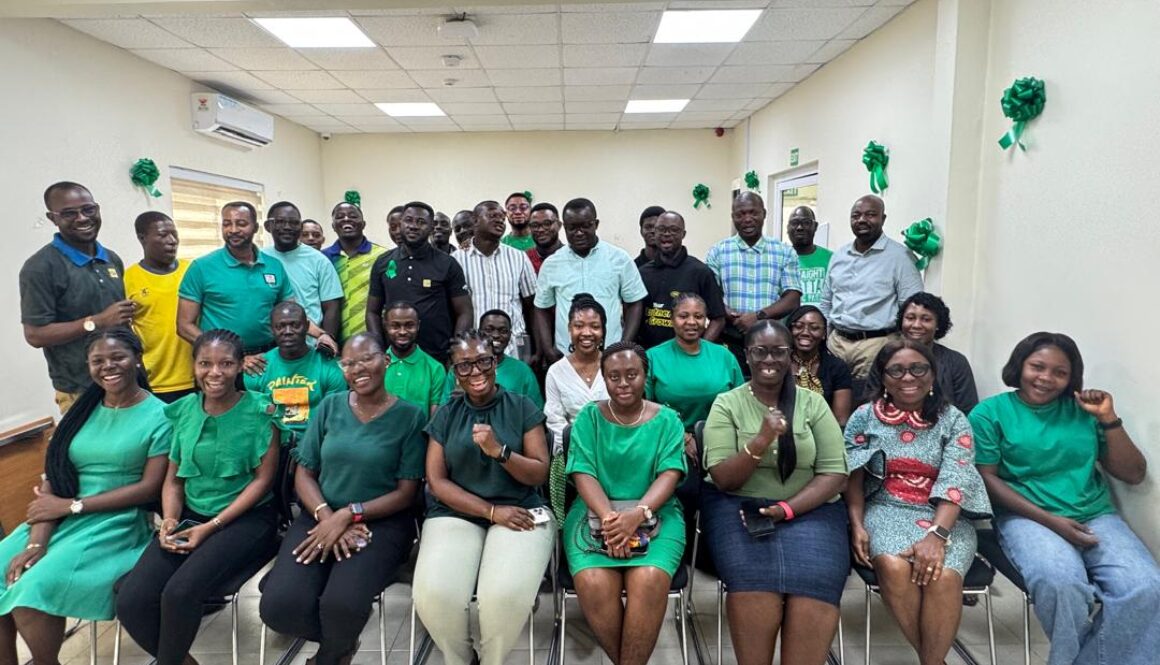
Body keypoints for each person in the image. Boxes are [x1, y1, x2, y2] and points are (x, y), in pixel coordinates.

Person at [970, 332, 1160, 665]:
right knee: (1062, 586)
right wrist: (1052, 522)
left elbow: (1133, 473)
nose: (1046, 378)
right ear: (1020, 366)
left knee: (1145, 586)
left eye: (1060, 372)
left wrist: (1108, 418)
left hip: (1095, 514)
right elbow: (987, 478)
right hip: (1026, 517)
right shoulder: (990, 413)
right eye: (1037, 367)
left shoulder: (1083, 411)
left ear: (1072, 377)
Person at [0, 329, 170, 665]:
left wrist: (74, 506)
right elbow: (54, 474)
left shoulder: (161, 415)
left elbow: (149, 489)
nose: (109, 366)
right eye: (98, 360)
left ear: (137, 359)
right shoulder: (81, 411)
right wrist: (37, 542)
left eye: (118, 357)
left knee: (32, 589)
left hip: (115, 525)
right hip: (60, 518)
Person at [259, 333, 426, 665]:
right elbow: (304, 472)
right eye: (349, 362)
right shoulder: (330, 406)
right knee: (279, 606)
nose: (358, 368)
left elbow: (406, 493)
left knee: (342, 604)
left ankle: (331, 656)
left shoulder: (410, 416)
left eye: (367, 359)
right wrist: (327, 516)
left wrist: (350, 514)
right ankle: (340, 644)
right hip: (319, 514)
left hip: (381, 523)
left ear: (386, 360)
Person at [116, 329, 280, 665]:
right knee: (131, 600)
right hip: (191, 515)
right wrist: (170, 520)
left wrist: (212, 527)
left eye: (226, 364)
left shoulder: (260, 411)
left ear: (239, 367)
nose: (215, 372)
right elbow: (174, 479)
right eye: (205, 363)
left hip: (248, 520)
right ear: (194, 366)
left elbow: (262, 483)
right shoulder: (184, 411)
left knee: (180, 593)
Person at [701, 319, 850, 665]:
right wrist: (762, 439)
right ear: (747, 356)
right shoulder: (727, 404)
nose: (770, 359)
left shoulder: (813, 404)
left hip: (811, 508)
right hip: (738, 505)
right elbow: (723, 478)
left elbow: (834, 472)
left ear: (791, 355)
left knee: (815, 583)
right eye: (760, 351)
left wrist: (788, 509)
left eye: (779, 351)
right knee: (754, 582)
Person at [845, 340, 991, 665]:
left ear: (932, 373)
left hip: (946, 516)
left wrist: (937, 536)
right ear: (883, 377)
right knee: (892, 565)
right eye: (896, 370)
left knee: (943, 575)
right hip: (885, 507)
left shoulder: (954, 420)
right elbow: (852, 475)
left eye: (917, 368)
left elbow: (956, 481)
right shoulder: (864, 417)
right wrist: (855, 525)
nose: (907, 377)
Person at [413, 330, 553, 665]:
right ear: (453, 372)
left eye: (483, 362)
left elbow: (539, 473)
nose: (475, 372)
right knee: (434, 595)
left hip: (521, 510)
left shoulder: (521, 406)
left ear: (495, 362)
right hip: (456, 513)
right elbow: (436, 480)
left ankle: (492, 659)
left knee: (501, 598)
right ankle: (462, 659)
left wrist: (500, 452)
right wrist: (491, 511)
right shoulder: (447, 414)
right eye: (464, 366)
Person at [563, 342, 686, 665]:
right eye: (614, 376)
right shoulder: (589, 417)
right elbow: (582, 471)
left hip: (656, 512)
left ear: (646, 375)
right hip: (594, 511)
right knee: (592, 581)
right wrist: (610, 519)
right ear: (604, 378)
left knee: (648, 577)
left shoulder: (668, 419)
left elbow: (671, 472)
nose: (623, 383)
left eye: (632, 374)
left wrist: (638, 514)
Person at [21, 181, 133, 413]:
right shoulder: (40, 267)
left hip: (125, 379)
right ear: (53, 218)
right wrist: (96, 322)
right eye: (69, 213)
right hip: (80, 388)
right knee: (92, 450)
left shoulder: (111, 259)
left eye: (88, 209)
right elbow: (35, 334)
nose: (82, 218)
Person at [819, 195, 923, 383]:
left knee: (868, 402)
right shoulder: (839, 256)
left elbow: (912, 307)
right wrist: (823, 339)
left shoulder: (900, 257)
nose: (861, 220)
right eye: (856, 215)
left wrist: (905, 350)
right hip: (836, 343)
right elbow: (826, 302)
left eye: (870, 215)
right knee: (832, 400)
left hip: (876, 345)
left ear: (883, 219)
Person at [177, 201, 296, 361]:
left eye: (241, 224)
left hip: (270, 356)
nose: (233, 230)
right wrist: (227, 355)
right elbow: (184, 326)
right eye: (227, 224)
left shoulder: (274, 266)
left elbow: (291, 313)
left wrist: (321, 335)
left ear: (255, 227)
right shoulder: (201, 267)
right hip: (221, 362)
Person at [534, 197, 647, 364]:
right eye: (572, 228)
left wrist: (624, 345)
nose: (579, 233)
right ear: (564, 227)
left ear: (596, 224)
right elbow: (542, 308)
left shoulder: (619, 259)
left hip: (611, 355)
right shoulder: (552, 264)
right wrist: (548, 349)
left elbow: (635, 302)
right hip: (566, 356)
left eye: (585, 226)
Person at [706, 192, 802, 374]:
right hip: (729, 339)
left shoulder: (784, 252)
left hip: (772, 341)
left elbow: (792, 298)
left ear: (764, 214)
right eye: (740, 214)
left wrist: (758, 316)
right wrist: (729, 314)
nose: (747, 219)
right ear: (733, 217)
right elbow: (710, 294)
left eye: (753, 213)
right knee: (731, 392)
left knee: (771, 394)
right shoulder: (718, 252)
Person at [367, 202, 473, 365]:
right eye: (408, 220)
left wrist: (456, 351)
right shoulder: (383, 263)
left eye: (421, 222)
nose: (413, 226)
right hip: (394, 358)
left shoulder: (448, 264)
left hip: (438, 358)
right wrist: (378, 348)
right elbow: (372, 312)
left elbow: (464, 312)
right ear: (400, 224)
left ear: (431, 228)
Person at [645, 293, 743, 465]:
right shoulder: (653, 357)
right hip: (668, 443)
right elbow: (643, 408)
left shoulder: (724, 356)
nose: (691, 322)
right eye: (683, 316)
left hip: (722, 443)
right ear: (672, 318)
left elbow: (741, 404)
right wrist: (683, 438)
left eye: (698, 317)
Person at [244, 302, 347, 437]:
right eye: (280, 326)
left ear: (307, 326)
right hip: (272, 444)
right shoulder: (257, 367)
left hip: (316, 443)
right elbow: (257, 424)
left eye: (295, 325)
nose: (288, 332)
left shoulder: (328, 367)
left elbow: (333, 422)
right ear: (271, 329)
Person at [452, 200, 537, 358]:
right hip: (473, 351)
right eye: (492, 216)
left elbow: (531, 306)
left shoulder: (519, 257)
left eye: (502, 217)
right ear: (475, 221)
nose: (499, 220)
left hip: (513, 350)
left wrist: (536, 350)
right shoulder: (457, 260)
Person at [125, 211, 195, 403]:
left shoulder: (193, 271)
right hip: (156, 380)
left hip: (199, 375)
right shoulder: (128, 279)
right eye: (163, 235)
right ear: (142, 238)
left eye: (175, 234)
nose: (172, 241)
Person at [637, 211, 727, 348]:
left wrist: (700, 349)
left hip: (688, 355)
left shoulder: (700, 272)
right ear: (655, 233)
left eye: (674, 230)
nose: (667, 234)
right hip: (649, 355)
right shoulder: (642, 272)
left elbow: (718, 319)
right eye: (661, 229)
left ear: (683, 234)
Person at [262, 201, 343, 342]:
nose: (287, 227)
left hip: (310, 345)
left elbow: (332, 308)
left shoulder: (319, 260)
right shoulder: (260, 259)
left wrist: (327, 341)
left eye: (293, 223)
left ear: (300, 227)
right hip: (270, 346)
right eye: (280, 222)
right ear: (268, 226)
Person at [544, 294, 609, 449]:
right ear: (569, 329)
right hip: (573, 452)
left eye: (594, 326)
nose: (586, 333)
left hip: (616, 448)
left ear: (603, 330)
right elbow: (555, 423)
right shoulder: (556, 372)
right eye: (579, 326)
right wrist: (581, 449)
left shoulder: (615, 366)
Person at [441, 310, 543, 408]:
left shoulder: (523, 371)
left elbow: (536, 413)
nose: (496, 335)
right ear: (479, 333)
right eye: (489, 330)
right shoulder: (461, 369)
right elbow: (444, 412)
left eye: (503, 331)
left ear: (510, 335)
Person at [897, 292, 978, 414]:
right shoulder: (886, 358)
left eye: (926, 319)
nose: (916, 325)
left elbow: (968, 411)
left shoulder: (955, 362)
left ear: (938, 325)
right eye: (910, 318)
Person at [323, 201, 388, 342]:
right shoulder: (322, 259)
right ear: (333, 226)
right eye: (340, 217)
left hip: (374, 338)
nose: (346, 219)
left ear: (363, 224)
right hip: (333, 340)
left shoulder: (382, 256)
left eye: (353, 216)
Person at [786, 305, 853, 427]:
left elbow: (841, 420)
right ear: (790, 331)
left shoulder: (837, 367)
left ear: (823, 334)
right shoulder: (780, 364)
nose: (805, 332)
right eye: (798, 326)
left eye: (814, 328)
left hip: (825, 433)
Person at [382, 301, 446, 416]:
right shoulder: (375, 366)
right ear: (386, 326)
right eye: (395, 326)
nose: (402, 332)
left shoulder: (435, 369)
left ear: (418, 325)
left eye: (409, 325)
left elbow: (435, 423)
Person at [786, 206, 832, 305]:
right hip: (790, 320)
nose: (799, 228)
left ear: (815, 226)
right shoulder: (781, 259)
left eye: (806, 223)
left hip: (822, 319)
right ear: (787, 228)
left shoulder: (832, 259)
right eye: (794, 223)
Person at [526, 202, 563, 274]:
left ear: (559, 225)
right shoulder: (525, 260)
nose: (541, 229)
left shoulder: (572, 256)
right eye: (535, 225)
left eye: (547, 224)